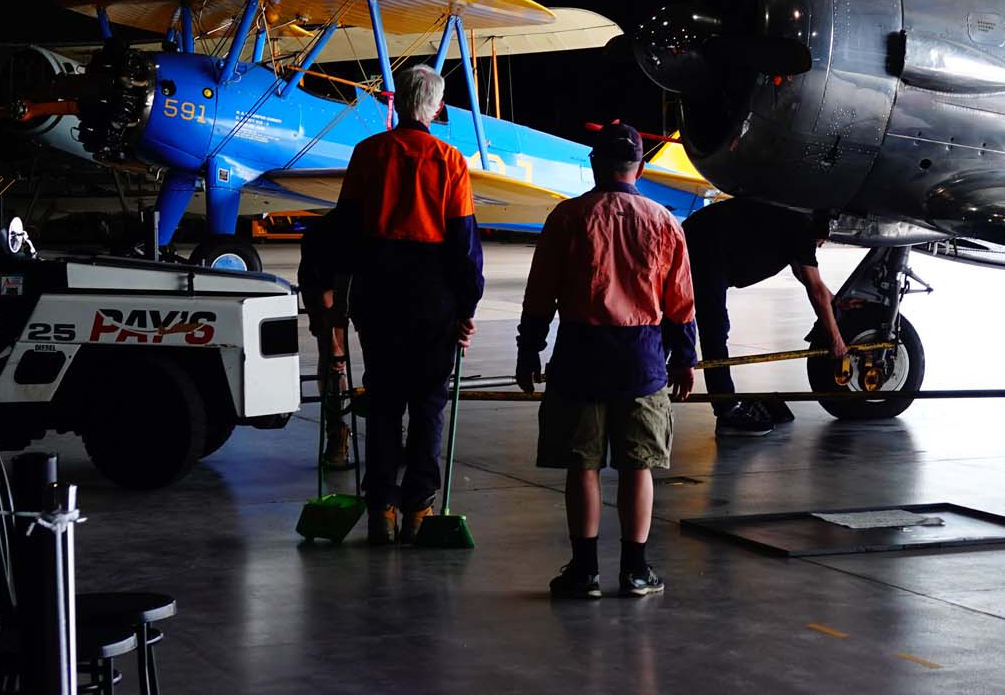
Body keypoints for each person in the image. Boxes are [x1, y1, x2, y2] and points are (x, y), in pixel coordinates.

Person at [517, 122, 696, 600]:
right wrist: (685, 359)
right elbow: (680, 301)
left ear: (595, 164)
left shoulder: (567, 217)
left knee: (583, 465)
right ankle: (636, 571)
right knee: (638, 466)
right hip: (642, 359)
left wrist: (529, 349)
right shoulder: (664, 221)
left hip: (580, 355)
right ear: (640, 167)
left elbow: (540, 294)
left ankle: (584, 571)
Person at [310, 63, 483, 546]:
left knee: (384, 403)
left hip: (378, 293)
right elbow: (464, 245)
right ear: (438, 107)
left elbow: (345, 230)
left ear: (397, 102)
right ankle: (418, 509)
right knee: (429, 404)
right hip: (433, 297)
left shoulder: (368, 154)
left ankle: (380, 510)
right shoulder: (450, 160)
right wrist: (467, 307)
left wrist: (337, 293)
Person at [682, 197, 846, 438]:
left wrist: (835, 302)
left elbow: (806, 277)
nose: (820, 247)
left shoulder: (793, 220)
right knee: (714, 329)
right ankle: (726, 411)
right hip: (705, 247)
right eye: (823, 242)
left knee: (676, 319)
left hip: (700, 237)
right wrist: (836, 340)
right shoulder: (802, 229)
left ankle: (645, 383)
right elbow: (815, 289)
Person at [297, 214, 354, 470]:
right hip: (324, 280)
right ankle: (336, 432)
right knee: (333, 357)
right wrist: (334, 346)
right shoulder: (322, 242)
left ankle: (392, 431)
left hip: (370, 278)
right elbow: (323, 301)